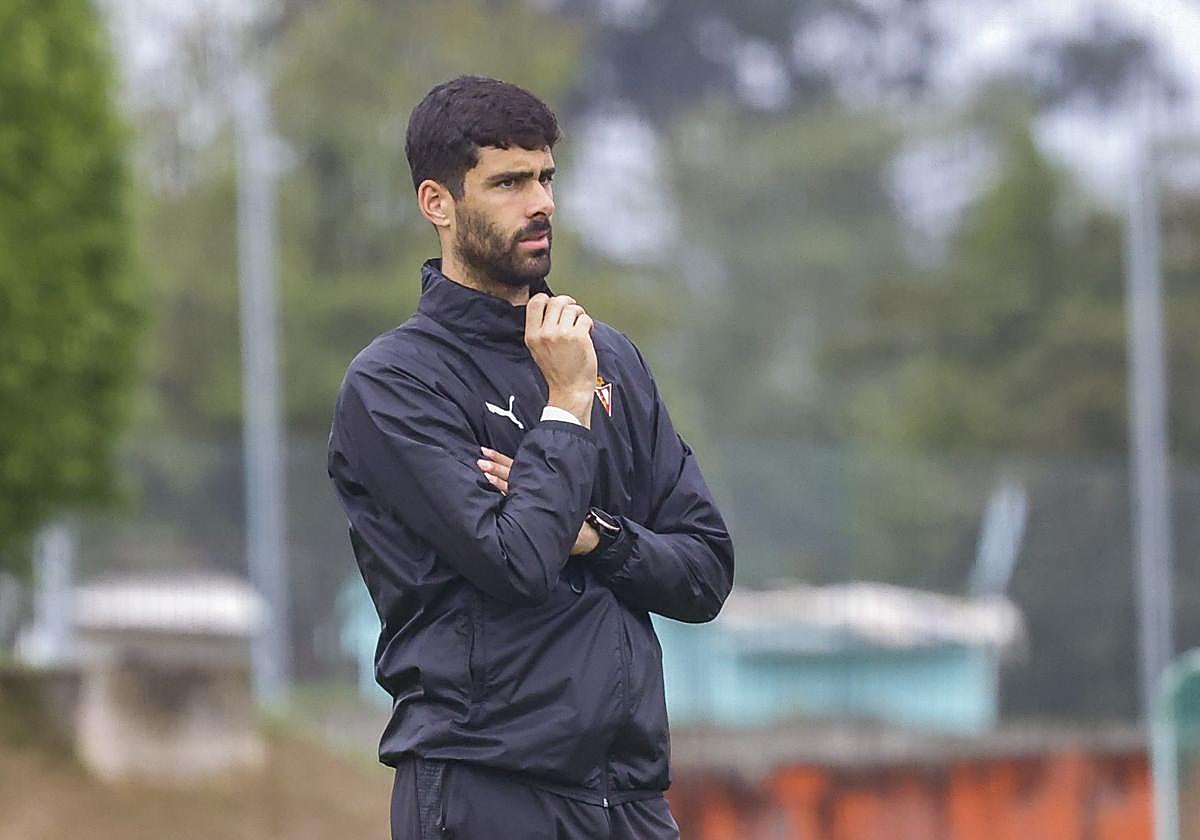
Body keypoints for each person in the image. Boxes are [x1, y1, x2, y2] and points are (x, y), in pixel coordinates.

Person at [327, 75, 734, 840]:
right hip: (486, 788)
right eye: (509, 181)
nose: (540, 201)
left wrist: (600, 535)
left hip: (631, 797)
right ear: (437, 203)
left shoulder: (609, 355)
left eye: (546, 176)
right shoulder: (394, 383)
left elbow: (706, 569)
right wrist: (566, 404)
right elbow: (515, 561)